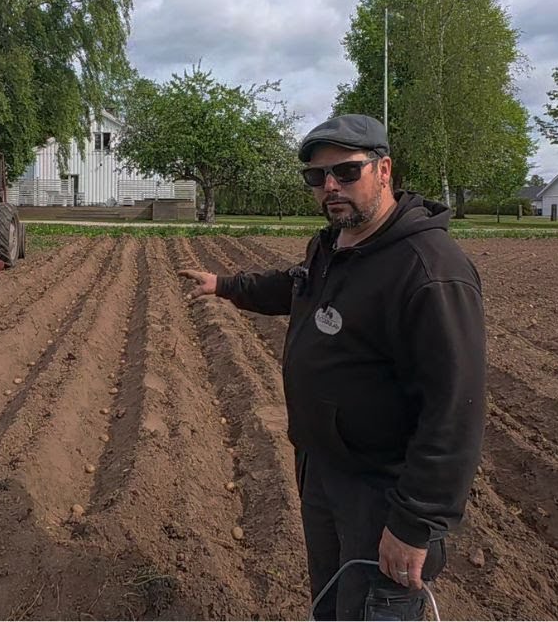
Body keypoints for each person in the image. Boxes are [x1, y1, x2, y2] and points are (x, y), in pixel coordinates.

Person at [179, 114, 486, 620]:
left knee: (373, 608)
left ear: (384, 170)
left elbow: (456, 411)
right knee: (332, 603)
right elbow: (295, 286)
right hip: (323, 468)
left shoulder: (430, 272)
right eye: (316, 177)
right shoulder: (336, 245)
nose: (330, 187)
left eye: (346, 172)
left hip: (381, 491)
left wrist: (414, 524)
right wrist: (226, 286)